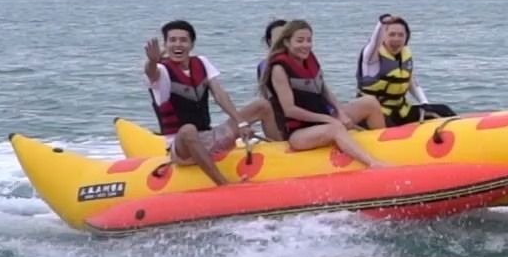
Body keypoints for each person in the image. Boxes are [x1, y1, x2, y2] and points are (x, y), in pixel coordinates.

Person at [143, 19, 271, 186]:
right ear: (165, 45)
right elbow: (151, 73)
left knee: (262, 105)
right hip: (182, 148)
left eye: (183, 40)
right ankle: (223, 184)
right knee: (188, 130)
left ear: (192, 44)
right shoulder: (161, 71)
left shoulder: (202, 63)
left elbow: (219, 94)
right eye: (172, 40)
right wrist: (152, 61)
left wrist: (241, 123)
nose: (178, 44)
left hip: (210, 137)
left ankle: (283, 152)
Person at [259, 20, 391, 167]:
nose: (306, 45)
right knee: (335, 128)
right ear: (287, 42)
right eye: (300, 41)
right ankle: (372, 163)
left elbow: (323, 89)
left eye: (309, 40)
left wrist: (340, 112)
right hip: (299, 133)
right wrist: (329, 120)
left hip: (323, 119)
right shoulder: (279, 69)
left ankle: (385, 148)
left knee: (370, 102)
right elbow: (290, 110)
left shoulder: (308, 59)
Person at [357, 13, 456, 127]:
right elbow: (374, 43)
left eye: (401, 35)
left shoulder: (404, 55)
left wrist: (424, 103)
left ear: (406, 37)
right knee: (393, 132)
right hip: (376, 114)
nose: (396, 39)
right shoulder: (371, 58)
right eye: (392, 34)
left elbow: (411, 82)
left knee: (444, 111)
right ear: (383, 36)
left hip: (400, 111)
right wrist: (382, 23)